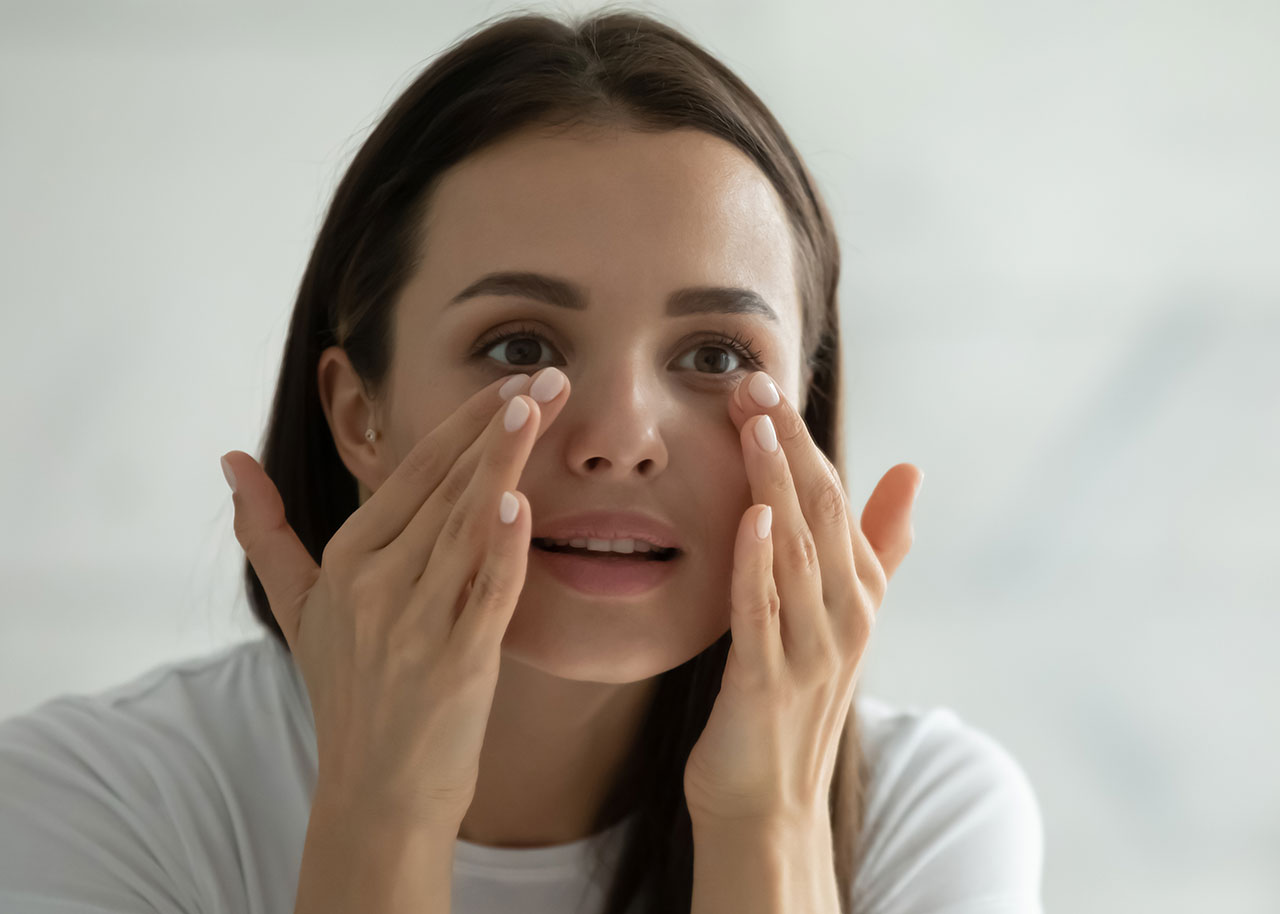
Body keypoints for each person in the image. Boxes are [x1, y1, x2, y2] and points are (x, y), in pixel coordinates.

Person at [0, 8, 1044, 914]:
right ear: (360, 413)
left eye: (715, 355)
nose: (620, 437)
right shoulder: (94, 802)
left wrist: (767, 820)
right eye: (520, 347)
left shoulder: (928, 819)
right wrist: (385, 806)